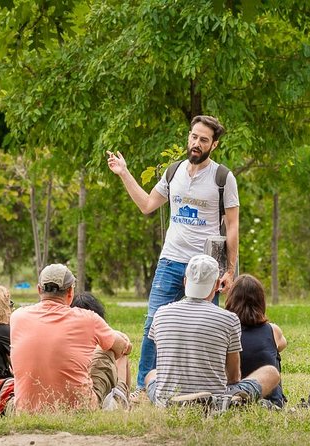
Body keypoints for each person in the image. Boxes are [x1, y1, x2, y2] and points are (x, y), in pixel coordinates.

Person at [107, 115, 240, 393]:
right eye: (193, 137)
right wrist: (124, 172)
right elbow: (146, 205)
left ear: (213, 145)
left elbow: (233, 225)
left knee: (205, 327)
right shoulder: (173, 171)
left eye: (204, 140)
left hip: (206, 266)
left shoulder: (223, 178)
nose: (196, 143)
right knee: (153, 323)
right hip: (170, 260)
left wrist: (229, 270)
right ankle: (145, 388)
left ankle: (206, 385)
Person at [145, 255, 279, 408]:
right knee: (270, 373)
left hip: (167, 400)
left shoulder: (160, 314)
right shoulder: (229, 319)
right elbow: (234, 376)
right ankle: (229, 401)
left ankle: (174, 399)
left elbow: (162, 362)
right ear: (216, 285)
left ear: (185, 282)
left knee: (151, 374)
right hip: (214, 401)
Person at [10, 264, 132, 412]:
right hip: (80, 408)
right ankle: (123, 401)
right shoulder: (88, 319)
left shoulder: (17, 317)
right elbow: (122, 347)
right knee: (107, 350)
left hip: (26, 409)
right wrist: (117, 337)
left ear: (39, 289)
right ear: (70, 292)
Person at [224, 274, 287, 408]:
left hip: (231, 391)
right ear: (261, 302)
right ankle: (272, 396)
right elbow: (282, 345)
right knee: (275, 354)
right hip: (272, 400)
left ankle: (239, 397)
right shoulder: (273, 330)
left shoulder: (225, 330)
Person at [71, 292, 132, 410]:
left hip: (76, 392)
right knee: (120, 353)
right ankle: (122, 396)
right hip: (93, 394)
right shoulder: (97, 331)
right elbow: (126, 347)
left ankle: (121, 395)